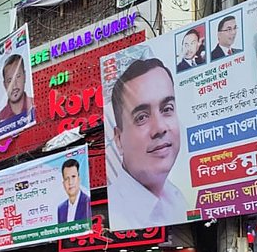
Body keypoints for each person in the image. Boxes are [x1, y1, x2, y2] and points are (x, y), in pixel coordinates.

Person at [109, 57, 187, 226]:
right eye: (142, 117)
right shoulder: (117, 214)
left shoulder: (178, 198)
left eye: (167, 109)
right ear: (119, 139)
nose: (160, 128)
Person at [0, 54, 33, 125]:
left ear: (24, 76)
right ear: (4, 85)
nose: (14, 85)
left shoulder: (34, 104)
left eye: (18, 77)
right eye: (9, 81)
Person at [56, 157, 90, 223]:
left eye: (73, 177)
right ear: (63, 183)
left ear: (79, 179)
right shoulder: (61, 208)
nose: (70, 182)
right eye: (66, 178)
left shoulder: (87, 201)